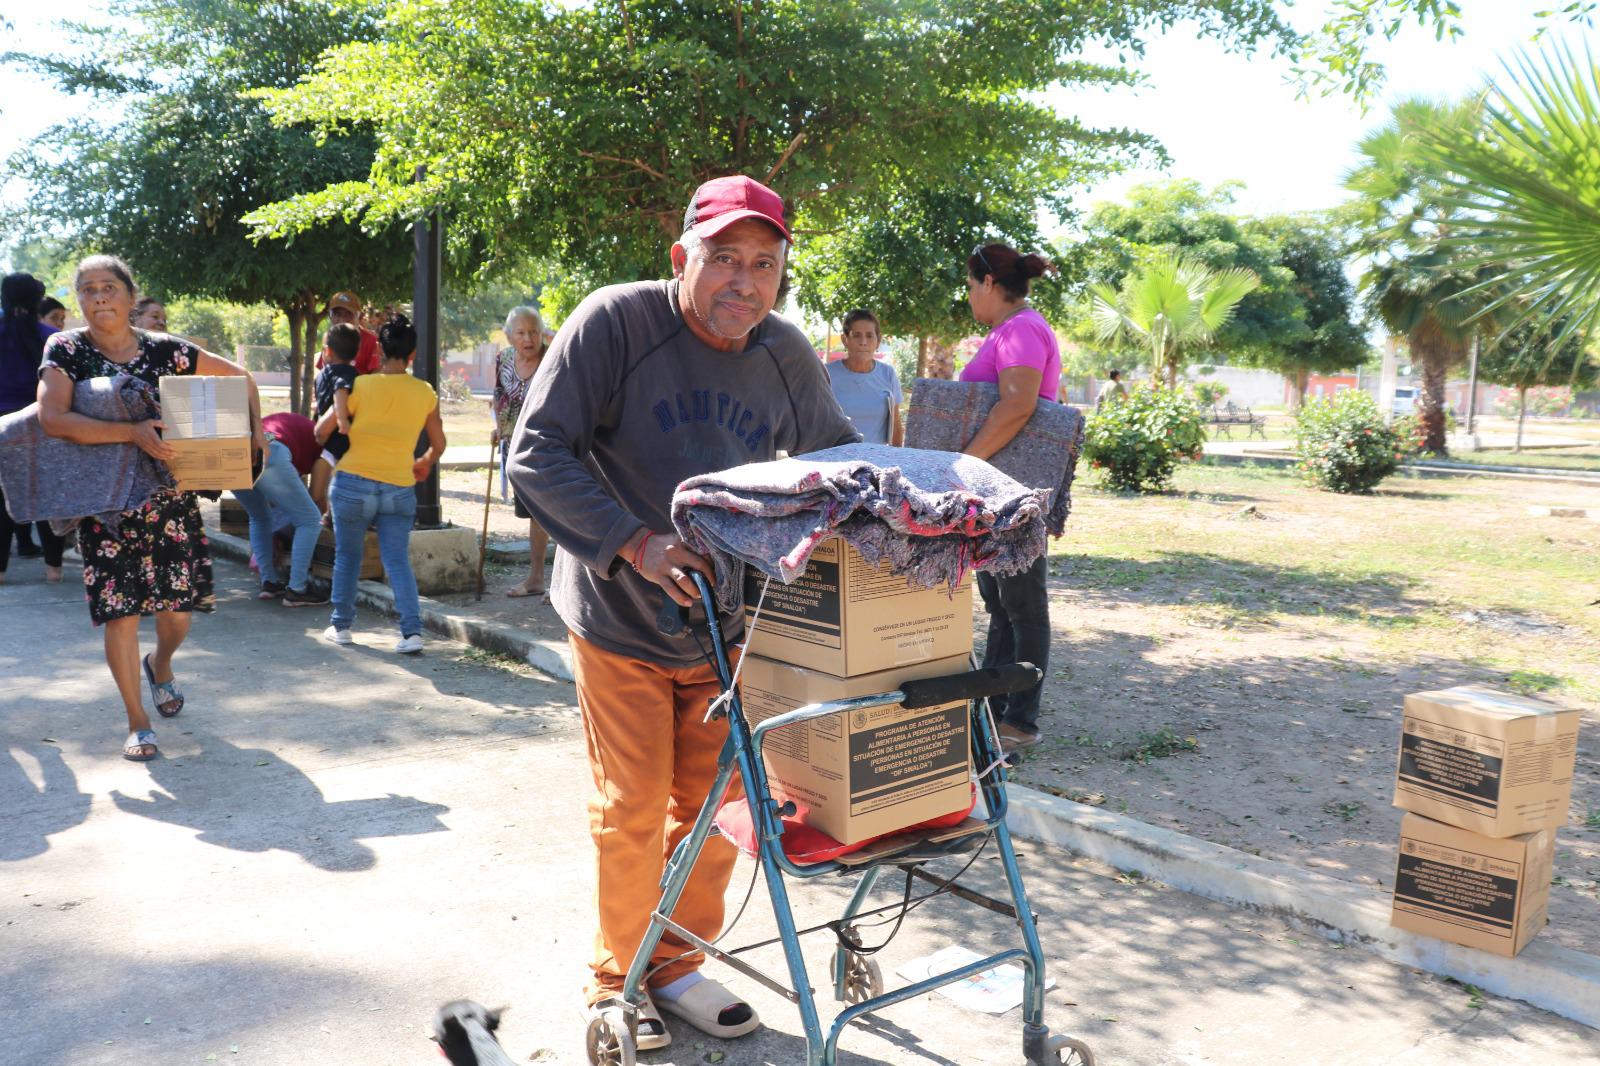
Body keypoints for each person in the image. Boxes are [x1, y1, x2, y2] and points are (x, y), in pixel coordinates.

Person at [508, 174, 859, 1050]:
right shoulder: (615, 322)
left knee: (715, 805)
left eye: (764, 263)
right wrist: (637, 542)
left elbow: (836, 460)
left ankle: (677, 963)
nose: (743, 280)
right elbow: (535, 454)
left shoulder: (783, 351)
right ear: (682, 257)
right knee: (631, 803)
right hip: (618, 614)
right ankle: (614, 981)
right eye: (724, 258)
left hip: (726, 629)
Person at [37, 254, 265, 762]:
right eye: (89, 289)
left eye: (109, 287)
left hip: (170, 501)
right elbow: (53, 418)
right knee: (120, 614)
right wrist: (130, 433)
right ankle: (138, 723)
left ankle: (160, 663)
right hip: (106, 505)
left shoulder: (168, 351)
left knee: (177, 614)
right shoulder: (66, 349)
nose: (99, 297)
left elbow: (242, 379)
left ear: (130, 295)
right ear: (79, 300)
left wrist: (258, 429)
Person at [959, 241, 1062, 752]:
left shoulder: (1021, 328)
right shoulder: (1010, 329)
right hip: (998, 491)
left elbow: (1019, 405)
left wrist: (965, 464)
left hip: (1012, 490)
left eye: (971, 284)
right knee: (1000, 602)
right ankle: (998, 710)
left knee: (1022, 604)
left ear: (991, 284)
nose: (969, 295)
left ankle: (1020, 720)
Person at [317, 313, 445, 653]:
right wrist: (425, 462)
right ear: (412, 354)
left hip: (352, 484)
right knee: (396, 559)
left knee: (348, 555)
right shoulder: (425, 392)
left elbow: (321, 431)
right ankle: (412, 633)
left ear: (379, 352)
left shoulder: (359, 386)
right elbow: (439, 443)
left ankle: (341, 625)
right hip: (399, 486)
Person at [1, 272, 67, 583]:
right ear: (37, 300)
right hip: (42, 424)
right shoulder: (50, 337)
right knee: (46, 495)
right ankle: (54, 568)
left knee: (1, 498)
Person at [233, 409, 325, 605]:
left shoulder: (300, 427)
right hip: (270, 451)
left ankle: (270, 583)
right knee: (310, 520)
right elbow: (317, 496)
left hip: (236, 454)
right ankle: (297, 590)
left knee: (259, 516)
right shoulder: (325, 445)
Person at [490, 305, 550, 599]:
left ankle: (553, 580)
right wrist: (499, 427)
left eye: (534, 331)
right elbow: (500, 396)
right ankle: (537, 578)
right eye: (522, 333)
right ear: (510, 336)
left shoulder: (553, 358)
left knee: (554, 512)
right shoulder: (503, 361)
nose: (529, 338)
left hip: (549, 447)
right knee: (533, 514)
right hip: (516, 448)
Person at [826, 308, 903, 445]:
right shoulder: (826, 374)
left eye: (869, 335)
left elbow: (896, 427)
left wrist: (898, 460)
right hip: (837, 461)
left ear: (878, 340)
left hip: (878, 461)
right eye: (856, 335)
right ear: (845, 340)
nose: (863, 342)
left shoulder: (888, 374)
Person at [309, 322, 361, 514]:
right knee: (327, 487)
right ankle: (327, 515)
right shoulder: (351, 373)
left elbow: (341, 391)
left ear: (327, 351)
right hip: (339, 443)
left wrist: (341, 420)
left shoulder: (335, 375)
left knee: (320, 487)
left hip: (335, 441)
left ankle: (324, 514)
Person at [315, 291, 381, 375]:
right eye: (337, 314)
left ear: (358, 316)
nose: (342, 319)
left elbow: (375, 373)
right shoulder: (329, 337)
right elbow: (323, 370)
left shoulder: (370, 340)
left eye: (348, 314)